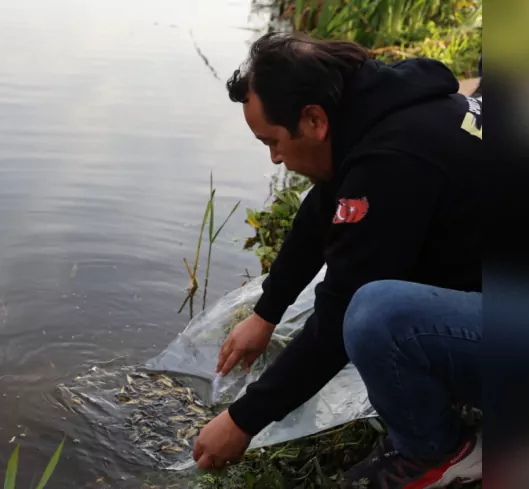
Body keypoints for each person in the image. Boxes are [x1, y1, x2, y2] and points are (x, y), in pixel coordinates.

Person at [192, 32, 483, 489]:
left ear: (313, 120)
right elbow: (323, 205)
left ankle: (439, 453)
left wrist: (241, 421)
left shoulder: (393, 160)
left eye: (272, 141)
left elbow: (335, 324)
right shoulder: (386, 108)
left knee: (374, 315)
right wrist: (268, 313)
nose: (275, 159)